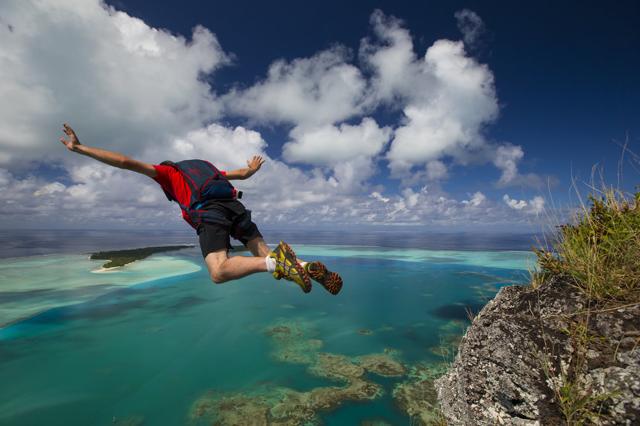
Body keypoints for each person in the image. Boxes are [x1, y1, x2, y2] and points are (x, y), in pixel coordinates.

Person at [59, 123, 342, 295]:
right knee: (265, 255)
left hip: (211, 213)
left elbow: (125, 161)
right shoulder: (210, 170)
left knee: (219, 272)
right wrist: (252, 170)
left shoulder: (168, 173)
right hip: (237, 209)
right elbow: (242, 175)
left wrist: (81, 149)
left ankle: (278, 263)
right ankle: (306, 268)